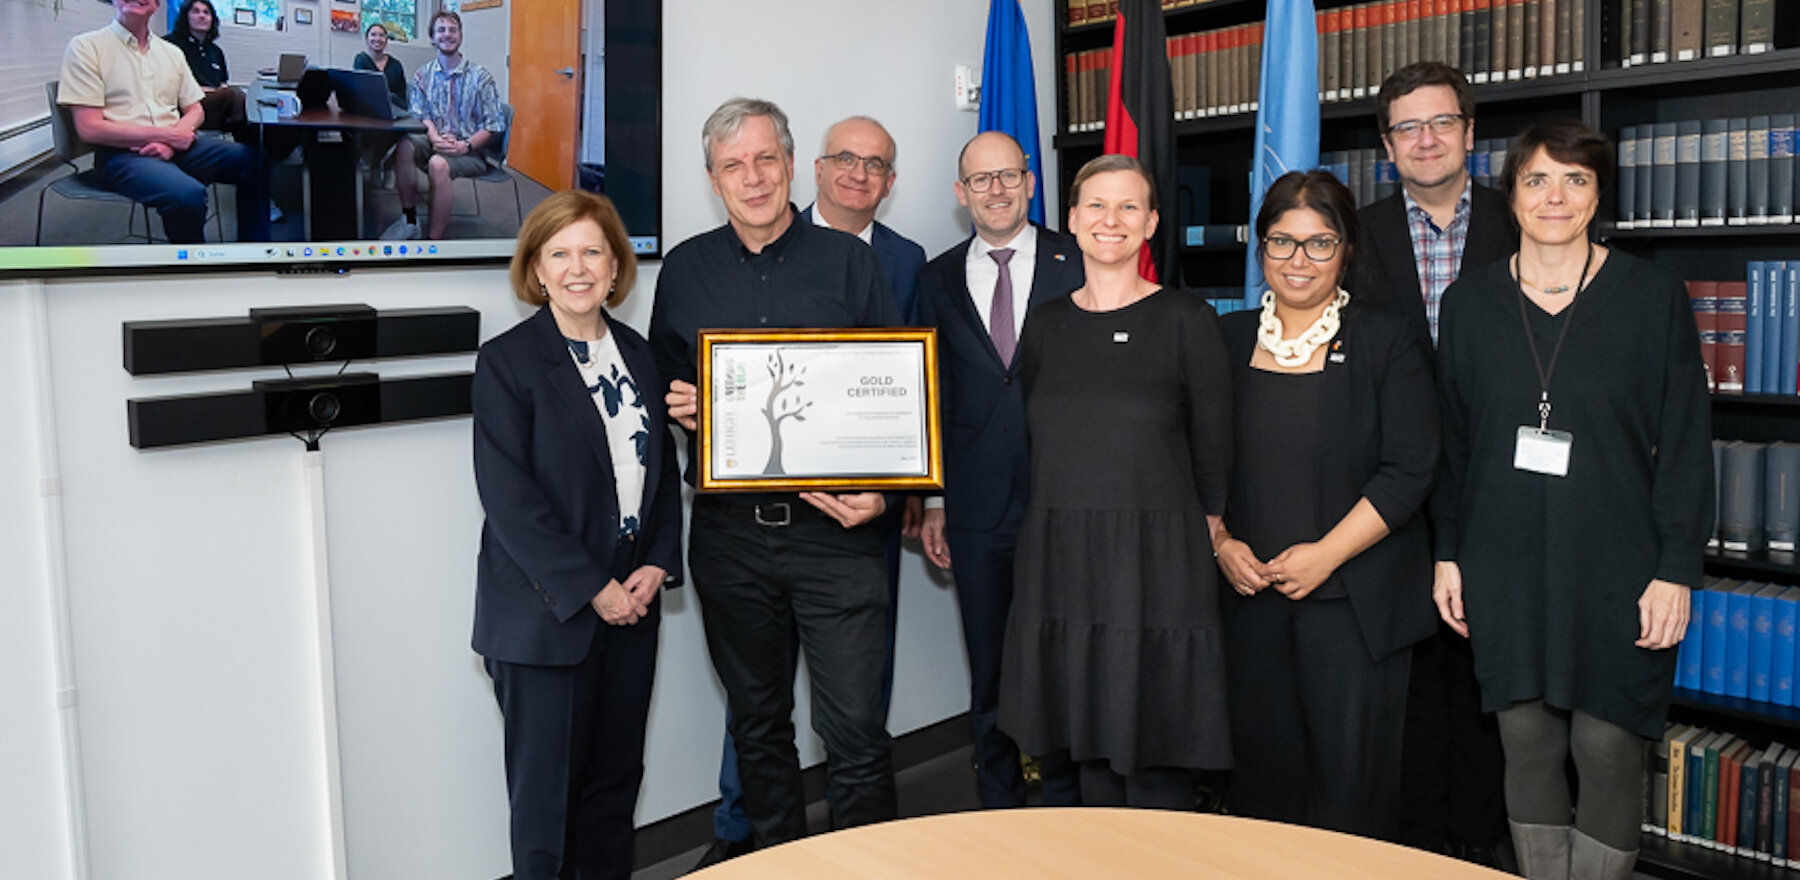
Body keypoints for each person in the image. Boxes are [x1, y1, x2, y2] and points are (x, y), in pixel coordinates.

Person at [1434, 119, 1711, 880]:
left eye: (1576, 179)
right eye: (1537, 180)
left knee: (1606, 744)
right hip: (1502, 556)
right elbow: (1452, 446)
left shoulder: (1651, 297)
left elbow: (1686, 440)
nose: (1556, 196)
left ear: (1598, 193)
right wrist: (1447, 554)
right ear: (1511, 195)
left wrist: (1676, 569)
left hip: (1620, 558)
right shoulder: (1466, 304)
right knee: (1525, 739)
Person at [649, 97, 901, 852]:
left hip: (835, 537)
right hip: (730, 539)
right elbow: (666, 379)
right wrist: (685, 403)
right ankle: (781, 867)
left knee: (854, 729)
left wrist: (886, 493)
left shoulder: (850, 262)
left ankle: (867, 869)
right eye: (733, 165)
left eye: (765, 159)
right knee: (758, 726)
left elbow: (893, 390)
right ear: (712, 178)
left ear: (791, 166)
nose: (752, 177)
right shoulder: (686, 269)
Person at [998, 154, 1232, 808]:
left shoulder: (1189, 320)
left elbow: (1215, 449)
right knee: (1083, 740)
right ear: (1070, 220)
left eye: (1129, 206)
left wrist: (1209, 532)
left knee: (1152, 746)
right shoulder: (1043, 325)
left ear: (1152, 222)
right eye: (1096, 205)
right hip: (1063, 559)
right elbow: (1034, 438)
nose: (1111, 220)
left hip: (1154, 564)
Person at [1214, 170, 1438, 840]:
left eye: (1319, 243)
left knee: (1350, 794)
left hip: (1356, 607)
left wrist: (1325, 557)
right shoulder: (1221, 338)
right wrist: (1220, 543)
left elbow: (1409, 469)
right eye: (1282, 242)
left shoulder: (1386, 339)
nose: (1298, 260)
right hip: (1249, 603)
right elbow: (1189, 462)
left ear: (1346, 250)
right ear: (1261, 250)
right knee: (1261, 785)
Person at [471, 189, 683, 880]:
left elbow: (660, 470)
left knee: (611, 793)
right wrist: (594, 588)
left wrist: (657, 564)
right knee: (547, 811)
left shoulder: (640, 355)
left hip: (631, 610)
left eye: (593, 251)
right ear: (535, 271)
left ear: (616, 268)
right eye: (559, 253)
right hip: (547, 620)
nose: (578, 267)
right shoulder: (507, 363)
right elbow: (511, 502)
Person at [1353, 60, 1514, 863]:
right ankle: (1416, 849)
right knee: (1413, 684)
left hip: (1504, 489)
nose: (1425, 139)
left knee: (1493, 684)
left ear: (1470, 132)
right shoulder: (1359, 236)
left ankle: (1485, 851)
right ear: (1387, 145)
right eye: (1407, 127)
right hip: (1397, 492)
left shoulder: (1523, 224)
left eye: (1440, 122)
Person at [915, 130, 1084, 810]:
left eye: (1008, 175)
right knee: (989, 668)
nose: (996, 189)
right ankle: (998, 801)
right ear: (961, 194)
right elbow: (932, 393)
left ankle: (1067, 807)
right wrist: (932, 502)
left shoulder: (1081, 262)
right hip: (977, 506)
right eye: (980, 180)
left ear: (1031, 182)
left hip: (1070, 498)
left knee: (1068, 660)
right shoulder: (935, 276)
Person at [58, 0, 267, 244]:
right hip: (122, 155)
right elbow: (89, 128)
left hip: (177, 146)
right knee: (188, 194)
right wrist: (167, 137)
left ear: (157, 4)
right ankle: (192, 269)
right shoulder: (86, 47)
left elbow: (195, 109)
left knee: (254, 160)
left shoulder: (171, 53)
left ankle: (255, 250)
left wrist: (174, 139)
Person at [384, 10, 503, 241]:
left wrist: (465, 146)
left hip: (470, 150)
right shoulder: (422, 75)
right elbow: (422, 115)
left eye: (452, 29)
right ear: (432, 37)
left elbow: (493, 124)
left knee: (438, 164)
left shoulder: (482, 77)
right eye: (441, 30)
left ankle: (433, 242)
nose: (447, 34)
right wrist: (435, 137)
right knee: (404, 145)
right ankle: (409, 220)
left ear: (460, 36)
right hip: (433, 139)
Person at [163, 0, 246, 135]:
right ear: (186, 17)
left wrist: (217, 91)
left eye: (206, 13)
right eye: (196, 11)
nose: (202, 16)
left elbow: (223, 83)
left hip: (216, 103)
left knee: (245, 100)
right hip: (187, 104)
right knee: (234, 94)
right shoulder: (169, 45)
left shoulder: (215, 51)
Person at [353, 22, 409, 108]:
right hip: (366, 109)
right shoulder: (361, 60)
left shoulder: (396, 65)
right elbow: (361, 92)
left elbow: (401, 98)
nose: (377, 39)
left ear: (386, 40)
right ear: (367, 39)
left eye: (381, 35)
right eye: (373, 35)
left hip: (392, 111)